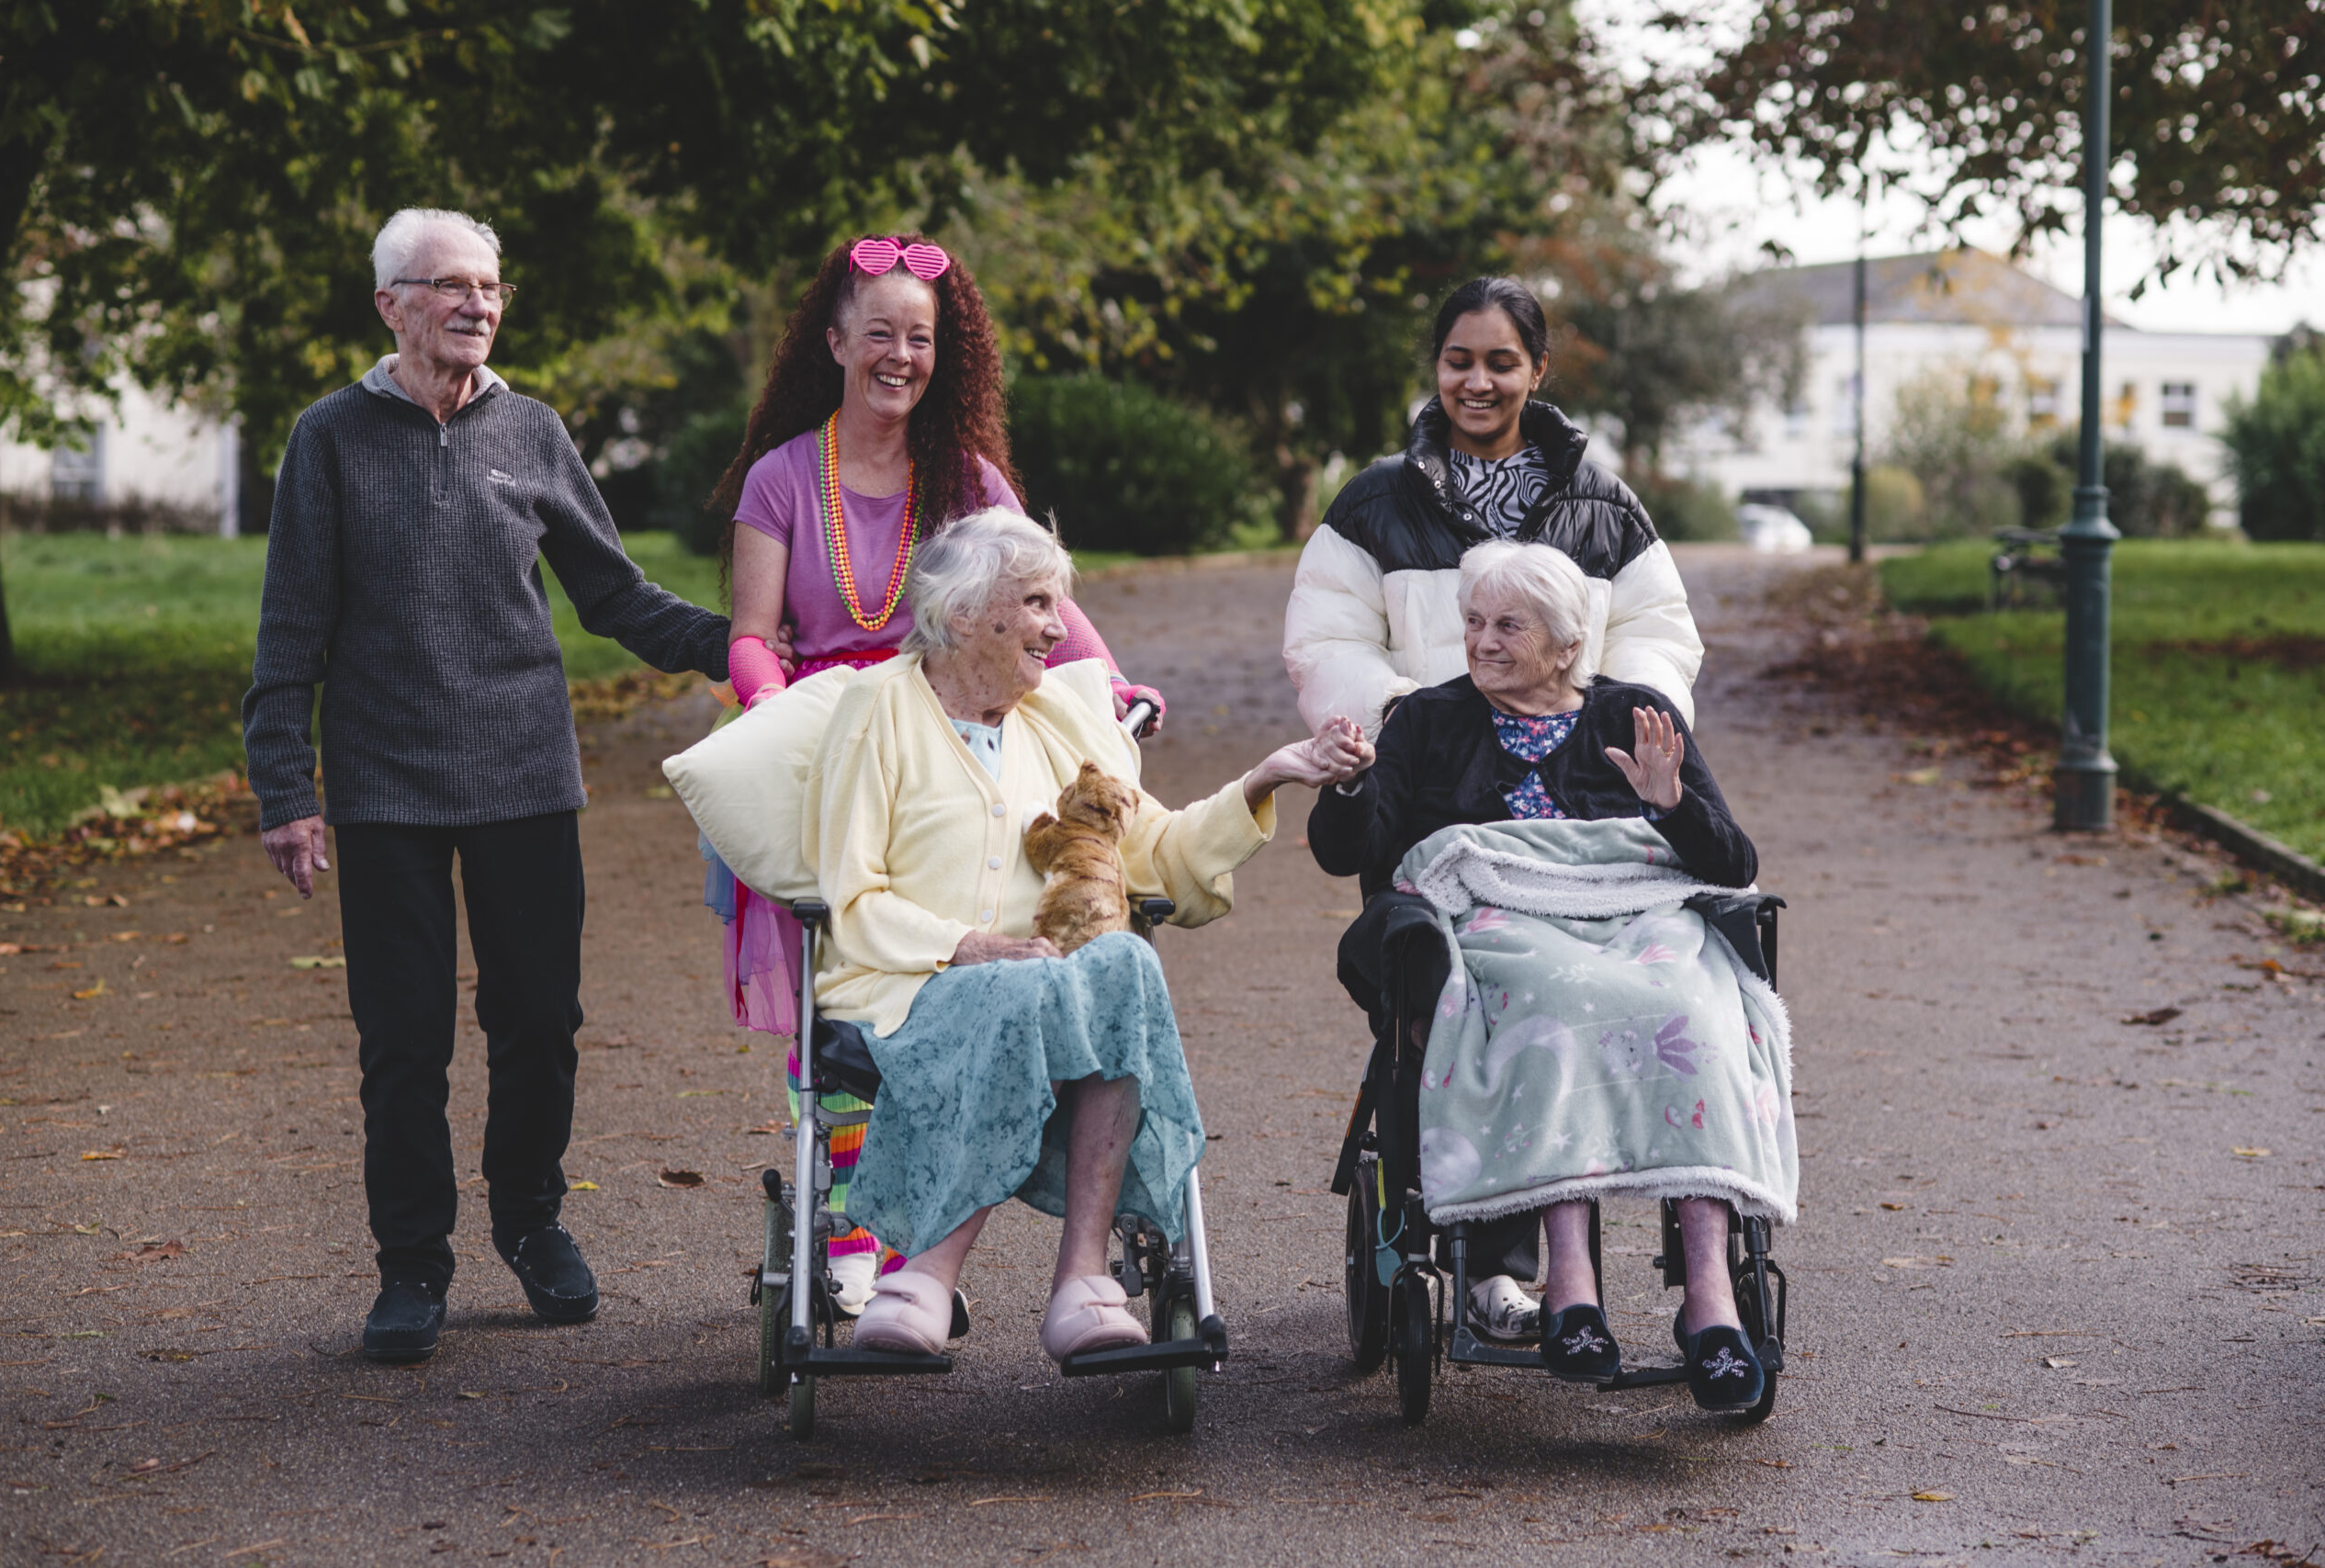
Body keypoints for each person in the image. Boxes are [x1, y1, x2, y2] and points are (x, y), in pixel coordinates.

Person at [243, 208, 734, 1366]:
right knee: (403, 1041)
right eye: (450, 285)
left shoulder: (533, 429)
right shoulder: (329, 437)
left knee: (540, 1020)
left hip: (523, 772)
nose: (477, 304)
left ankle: (531, 1221)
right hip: (385, 784)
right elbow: (289, 629)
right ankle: (412, 1264)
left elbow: (614, 595)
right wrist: (286, 788)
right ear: (391, 305)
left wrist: (741, 642)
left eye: (491, 286)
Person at [704, 234, 1162, 1312]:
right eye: (880, 334)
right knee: (844, 977)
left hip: (954, 725)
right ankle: (857, 1225)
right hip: (834, 735)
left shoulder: (964, 478)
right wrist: (768, 704)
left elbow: (1046, 599)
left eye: (920, 338)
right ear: (834, 343)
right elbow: (752, 634)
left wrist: (1110, 683)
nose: (900, 357)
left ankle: (918, 1244)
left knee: (969, 947)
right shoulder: (781, 478)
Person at [796, 510, 1366, 1359]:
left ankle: (1084, 1279)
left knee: (1124, 961)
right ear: (962, 614)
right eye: (1036, 603)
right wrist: (973, 946)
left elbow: (1152, 854)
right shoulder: (876, 708)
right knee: (1035, 983)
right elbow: (853, 898)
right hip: (906, 990)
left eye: (1056, 604)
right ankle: (925, 1274)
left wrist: (1262, 778)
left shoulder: (1058, 721)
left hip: (1050, 992)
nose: (1059, 628)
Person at [1309, 539, 1789, 1409]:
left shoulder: (1637, 715)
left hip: (1635, 915)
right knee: (1559, 1006)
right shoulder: (1423, 721)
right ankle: (1570, 1289)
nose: (1481, 640)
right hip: (1500, 921)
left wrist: (1671, 804)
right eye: (1473, 621)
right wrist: (1349, 787)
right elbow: (1358, 855)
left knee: (1698, 1007)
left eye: (1508, 625)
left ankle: (1711, 1301)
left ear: (1569, 645)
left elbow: (1733, 863)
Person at [1282, 276, 1705, 736]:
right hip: (1420, 774)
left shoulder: (1605, 507)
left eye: (1501, 365)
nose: (1478, 383)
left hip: (1575, 776)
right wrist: (1404, 721)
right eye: (1458, 363)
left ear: (1537, 369)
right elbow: (1328, 643)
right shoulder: (1373, 503)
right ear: (1438, 365)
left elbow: (1654, 636)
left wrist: (1616, 728)